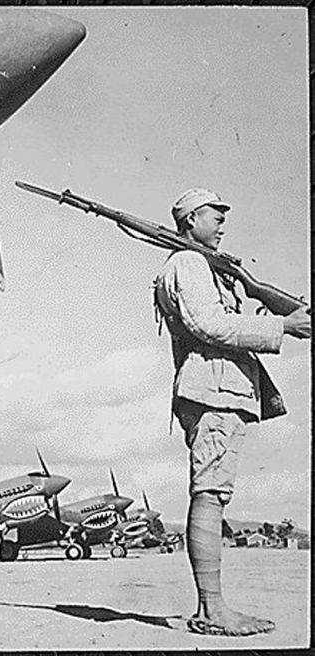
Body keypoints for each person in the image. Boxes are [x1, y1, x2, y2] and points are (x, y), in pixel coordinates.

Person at [153, 187, 311, 637]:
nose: (222, 222)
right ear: (189, 220)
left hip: (223, 389)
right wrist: (281, 325)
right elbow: (210, 325)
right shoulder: (187, 263)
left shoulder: (206, 265)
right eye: (213, 215)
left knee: (214, 492)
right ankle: (212, 611)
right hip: (213, 390)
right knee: (209, 491)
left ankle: (214, 607)